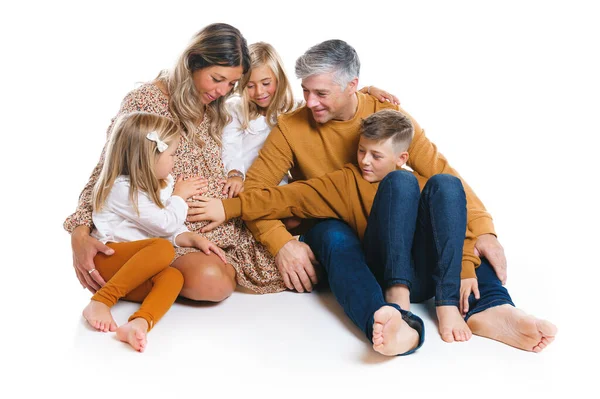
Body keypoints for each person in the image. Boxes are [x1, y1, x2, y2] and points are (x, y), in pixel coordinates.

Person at [197, 39, 557, 354]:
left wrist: (485, 230)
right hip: (336, 225)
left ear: (352, 85)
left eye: (321, 93)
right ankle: (386, 320)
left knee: (446, 216)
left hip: (397, 230)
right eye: (306, 91)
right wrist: (280, 242)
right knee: (332, 235)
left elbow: (443, 175)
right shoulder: (292, 127)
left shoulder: (387, 117)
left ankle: (491, 309)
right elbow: (260, 191)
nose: (310, 102)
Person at [194, 109, 475, 354]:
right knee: (399, 183)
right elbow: (287, 197)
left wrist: (466, 268)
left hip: (424, 277)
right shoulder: (346, 180)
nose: (365, 160)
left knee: (448, 185)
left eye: (376, 155)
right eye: (361, 150)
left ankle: (446, 303)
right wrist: (228, 207)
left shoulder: (421, 182)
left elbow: (450, 228)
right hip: (382, 271)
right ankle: (398, 299)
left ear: (402, 156)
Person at [65, 23, 286, 302]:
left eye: (231, 84)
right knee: (212, 283)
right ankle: (138, 276)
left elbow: (273, 114)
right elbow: (105, 171)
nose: (222, 90)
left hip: (222, 221)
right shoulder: (148, 101)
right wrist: (80, 233)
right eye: (217, 78)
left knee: (299, 242)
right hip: (167, 228)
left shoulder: (217, 107)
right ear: (193, 62)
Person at [82, 112, 227, 352]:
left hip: (134, 267)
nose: (174, 160)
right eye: (171, 154)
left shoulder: (154, 185)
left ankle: (140, 322)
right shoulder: (121, 189)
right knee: (162, 249)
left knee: (173, 277)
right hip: (108, 259)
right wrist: (180, 195)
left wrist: (190, 237)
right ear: (150, 157)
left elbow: (165, 228)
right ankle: (101, 301)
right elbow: (164, 225)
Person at [220, 41, 399, 198]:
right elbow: (231, 145)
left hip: (276, 186)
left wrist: (366, 91)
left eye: (266, 83)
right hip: (239, 179)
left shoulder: (293, 110)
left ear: (279, 79)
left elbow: (334, 99)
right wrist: (235, 174)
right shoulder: (236, 109)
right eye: (250, 86)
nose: (259, 92)